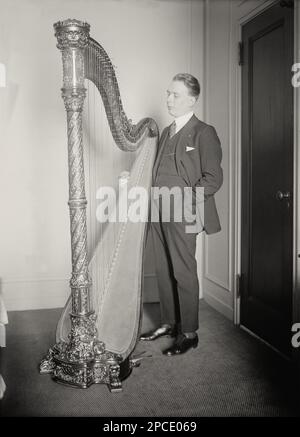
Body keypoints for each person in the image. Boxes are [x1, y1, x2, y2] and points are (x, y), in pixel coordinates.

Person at [140, 73, 223, 356]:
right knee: (163, 268)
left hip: (184, 211)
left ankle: (189, 333)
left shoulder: (204, 132)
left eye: (175, 95)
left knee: (183, 270)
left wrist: (187, 204)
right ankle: (169, 323)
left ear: (192, 99)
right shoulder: (166, 132)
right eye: (168, 93)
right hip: (159, 209)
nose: (169, 99)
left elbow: (213, 178)